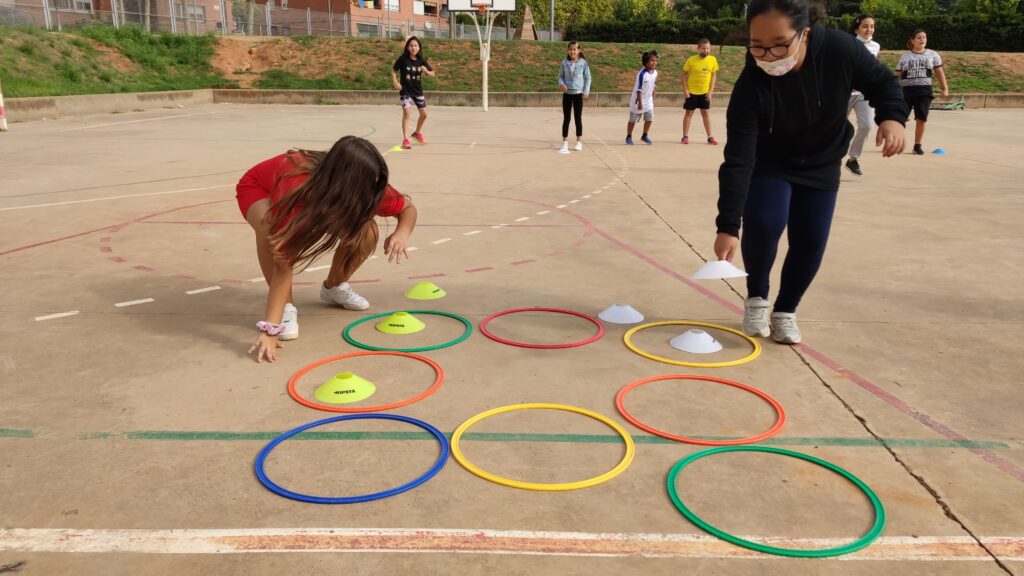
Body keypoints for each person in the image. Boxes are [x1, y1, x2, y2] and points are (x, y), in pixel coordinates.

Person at [713, 0, 908, 344]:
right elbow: (738, 159)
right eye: (757, 46)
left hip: (821, 160)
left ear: (804, 33)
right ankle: (757, 298)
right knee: (764, 221)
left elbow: (883, 83)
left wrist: (892, 117)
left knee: (811, 239)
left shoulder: (839, 49)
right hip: (771, 161)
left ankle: (786, 310)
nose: (768, 56)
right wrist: (728, 225)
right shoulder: (751, 85)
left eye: (779, 44)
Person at [236, 135, 418, 363]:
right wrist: (270, 328)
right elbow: (283, 264)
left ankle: (334, 287)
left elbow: (407, 208)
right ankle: (286, 307)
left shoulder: (368, 184)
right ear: (344, 181)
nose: (372, 191)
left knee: (367, 231)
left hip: (322, 199)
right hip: (260, 187)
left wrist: (402, 233)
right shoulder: (297, 186)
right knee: (270, 229)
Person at [897, 29, 948, 155]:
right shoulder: (905, 56)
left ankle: (917, 146)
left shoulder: (932, 55)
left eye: (924, 37)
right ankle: (896, 143)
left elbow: (939, 72)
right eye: (919, 37)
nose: (922, 39)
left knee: (921, 118)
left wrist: (944, 88)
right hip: (906, 91)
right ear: (912, 40)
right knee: (899, 118)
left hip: (924, 91)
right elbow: (898, 75)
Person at [844, 13, 880, 176]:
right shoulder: (847, 44)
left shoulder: (875, 46)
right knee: (834, 126)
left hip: (864, 94)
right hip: (844, 92)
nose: (869, 29)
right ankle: (824, 157)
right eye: (865, 26)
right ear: (856, 29)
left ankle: (853, 159)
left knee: (867, 126)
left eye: (872, 26)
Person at [391, 36, 436, 150]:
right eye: (411, 45)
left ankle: (416, 134)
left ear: (419, 47)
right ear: (407, 47)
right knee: (407, 113)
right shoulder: (403, 59)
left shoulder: (421, 60)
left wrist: (426, 71)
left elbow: (433, 73)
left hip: (417, 91)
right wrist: (395, 82)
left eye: (416, 45)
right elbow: (393, 70)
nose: (413, 48)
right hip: (405, 90)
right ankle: (406, 139)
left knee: (424, 115)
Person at [681, 38, 720, 145]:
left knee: (705, 113)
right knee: (689, 113)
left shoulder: (712, 60)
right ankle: (685, 136)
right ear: (698, 48)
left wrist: (710, 91)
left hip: (705, 92)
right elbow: (683, 75)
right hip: (692, 92)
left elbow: (713, 75)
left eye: (707, 48)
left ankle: (710, 137)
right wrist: (685, 90)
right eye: (703, 48)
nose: (705, 50)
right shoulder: (691, 60)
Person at [558, 41, 592, 153]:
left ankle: (578, 142)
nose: (572, 51)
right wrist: (562, 84)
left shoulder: (583, 63)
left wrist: (586, 91)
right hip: (567, 95)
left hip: (578, 94)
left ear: (579, 51)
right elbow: (560, 77)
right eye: (570, 49)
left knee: (578, 118)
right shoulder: (564, 63)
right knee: (566, 118)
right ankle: (564, 143)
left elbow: (588, 77)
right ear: (567, 50)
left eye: (575, 49)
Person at [626, 50, 658, 145]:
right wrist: (640, 103)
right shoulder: (642, 74)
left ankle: (644, 135)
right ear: (646, 62)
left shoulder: (655, 72)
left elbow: (652, 83)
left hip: (648, 100)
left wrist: (653, 91)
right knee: (633, 120)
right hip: (638, 100)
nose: (654, 62)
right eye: (652, 61)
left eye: (655, 60)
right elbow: (638, 90)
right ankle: (629, 136)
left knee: (650, 118)